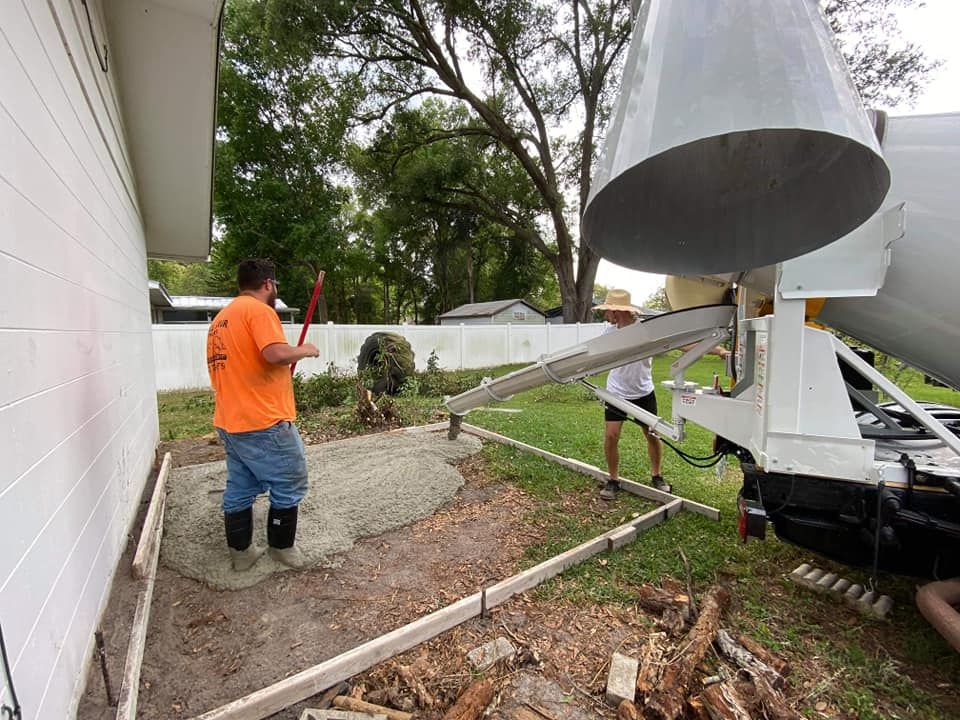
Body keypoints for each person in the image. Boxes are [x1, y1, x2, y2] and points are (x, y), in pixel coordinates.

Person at [206, 259, 320, 571]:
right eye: (275, 285)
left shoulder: (221, 320)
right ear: (268, 284)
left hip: (231, 421)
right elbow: (274, 353)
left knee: (241, 486)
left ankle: (241, 555)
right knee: (290, 481)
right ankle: (281, 548)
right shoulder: (259, 311)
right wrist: (305, 350)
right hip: (263, 421)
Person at [594, 289, 729, 501]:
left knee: (652, 434)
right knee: (611, 436)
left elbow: (684, 344)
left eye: (607, 311)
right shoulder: (609, 333)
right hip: (617, 392)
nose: (605, 316)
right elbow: (593, 354)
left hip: (643, 392)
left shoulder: (647, 331)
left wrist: (719, 350)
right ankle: (613, 480)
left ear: (616, 311)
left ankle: (657, 475)